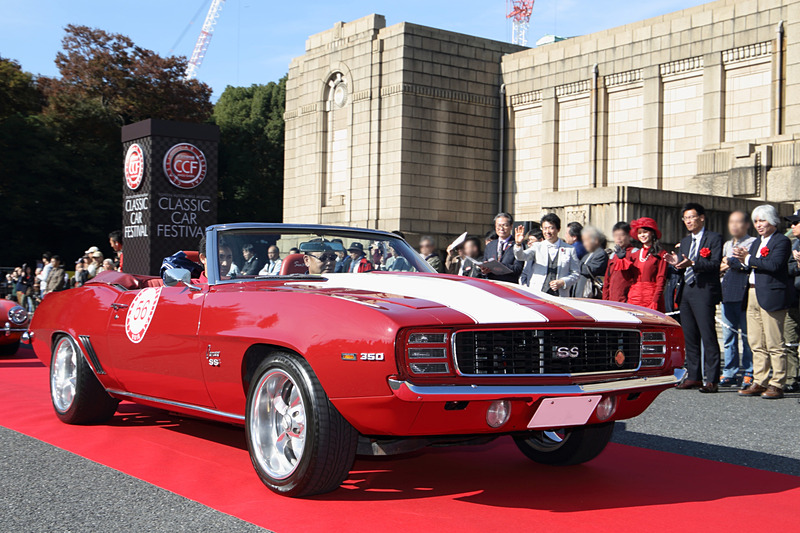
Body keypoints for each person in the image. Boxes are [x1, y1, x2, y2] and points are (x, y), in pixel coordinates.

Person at [734, 205, 793, 399]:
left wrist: (748, 258)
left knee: (775, 342)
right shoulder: (755, 242)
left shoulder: (781, 241)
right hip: (752, 292)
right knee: (756, 341)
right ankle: (760, 379)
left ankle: (777, 382)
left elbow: (775, 265)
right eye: (756, 221)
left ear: (773, 221)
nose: (759, 225)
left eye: (763, 220)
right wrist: (739, 259)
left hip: (771, 295)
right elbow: (748, 264)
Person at [668, 203, 723, 393]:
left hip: (704, 290)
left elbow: (715, 264)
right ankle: (694, 376)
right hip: (687, 290)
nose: (688, 221)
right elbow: (682, 265)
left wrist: (694, 263)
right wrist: (676, 264)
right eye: (686, 218)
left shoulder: (714, 238)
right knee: (690, 336)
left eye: (692, 217)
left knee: (707, 335)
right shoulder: (684, 242)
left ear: (701, 218)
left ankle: (712, 378)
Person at [719, 210, 757, 388]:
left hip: (744, 293)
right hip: (727, 292)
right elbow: (723, 265)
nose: (735, 225)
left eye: (739, 222)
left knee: (747, 335)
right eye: (731, 222)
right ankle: (730, 371)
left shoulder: (753, 243)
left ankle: (749, 370)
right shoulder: (727, 244)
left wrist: (730, 262)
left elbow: (746, 266)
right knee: (728, 335)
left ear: (747, 225)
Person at [512, 213, 579, 296]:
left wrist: (563, 282)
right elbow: (521, 256)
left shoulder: (569, 249)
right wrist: (518, 244)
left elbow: (576, 273)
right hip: (538, 292)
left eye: (551, 228)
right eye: (545, 228)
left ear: (558, 229)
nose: (547, 232)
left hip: (560, 294)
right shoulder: (537, 246)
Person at [620, 218, 668, 311]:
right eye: (639, 233)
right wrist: (622, 260)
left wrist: (655, 300)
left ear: (652, 233)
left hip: (651, 296)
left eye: (645, 232)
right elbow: (627, 278)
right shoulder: (634, 255)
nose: (642, 235)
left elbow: (661, 279)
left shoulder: (661, 254)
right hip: (634, 297)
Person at [784, 209, 800, 393]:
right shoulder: (793, 244)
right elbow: (786, 268)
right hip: (793, 297)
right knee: (789, 339)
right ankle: (791, 377)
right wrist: (796, 265)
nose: (792, 226)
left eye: (796, 223)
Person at [483, 213, 524, 283]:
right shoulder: (490, 245)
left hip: (508, 284)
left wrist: (500, 266)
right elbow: (484, 263)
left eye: (505, 225)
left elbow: (518, 269)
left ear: (511, 226)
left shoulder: (517, 245)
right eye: (499, 225)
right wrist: (484, 270)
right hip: (491, 283)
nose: (501, 228)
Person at [602, 222, 637, 302]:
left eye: (622, 235)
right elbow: (607, 280)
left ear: (629, 236)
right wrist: (605, 300)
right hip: (612, 299)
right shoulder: (613, 255)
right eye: (615, 235)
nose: (618, 238)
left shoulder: (634, 253)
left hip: (627, 300)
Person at [573, 226, 608, 299]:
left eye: (586, 240)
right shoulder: (588, 254)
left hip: (590, 294)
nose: (584, 243)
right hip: (579, 292)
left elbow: (590, 270)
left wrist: (574, 262)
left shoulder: (601, 254)